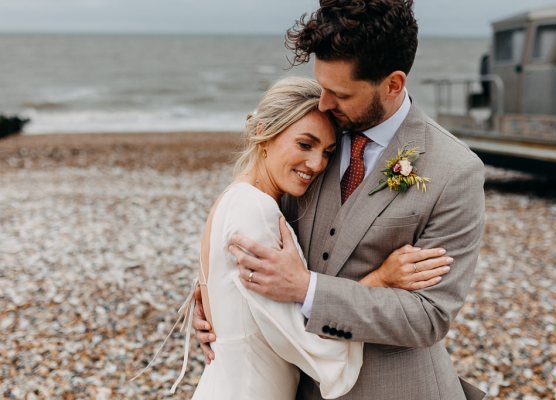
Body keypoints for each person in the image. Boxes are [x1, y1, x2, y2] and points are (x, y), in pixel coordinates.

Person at [194, 1, 487, 399]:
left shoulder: (455, 171)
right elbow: (252, 219)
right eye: (322, 86)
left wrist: (307, 289)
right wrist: (220, 303)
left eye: (340, 93)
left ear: (393, 84)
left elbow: (427, 317)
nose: (324, 103)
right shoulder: (314, 135)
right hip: (300, 383)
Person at [134, 77, 452, 399]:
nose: (316, 164)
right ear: (263, 133)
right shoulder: (254, 208)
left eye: (328, 152)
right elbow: (309, 345)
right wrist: (380, 279)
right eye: (304, 144)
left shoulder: (237, 197)